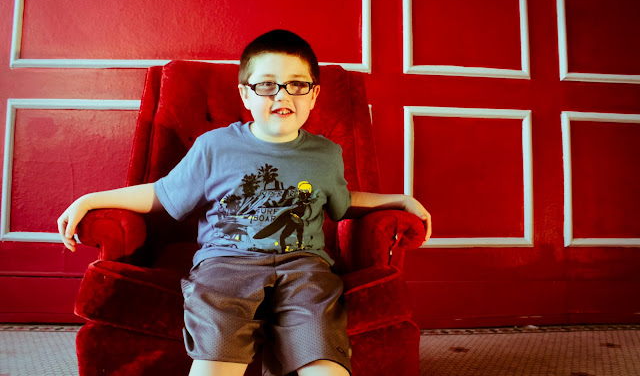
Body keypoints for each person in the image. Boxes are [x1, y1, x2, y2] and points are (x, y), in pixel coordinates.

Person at [58, 29, 432, 376]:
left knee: (322, 352)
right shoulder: (214, 146)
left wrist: (399, 200)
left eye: (297, 84)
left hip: (305, 267)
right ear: (246, 94)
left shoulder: (326, 154)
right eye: (267, 85)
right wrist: (90, 199)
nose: (282, 95)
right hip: (226, 264)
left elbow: (342, 202)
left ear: (314, 95)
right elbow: (163, 193)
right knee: (218, 343)